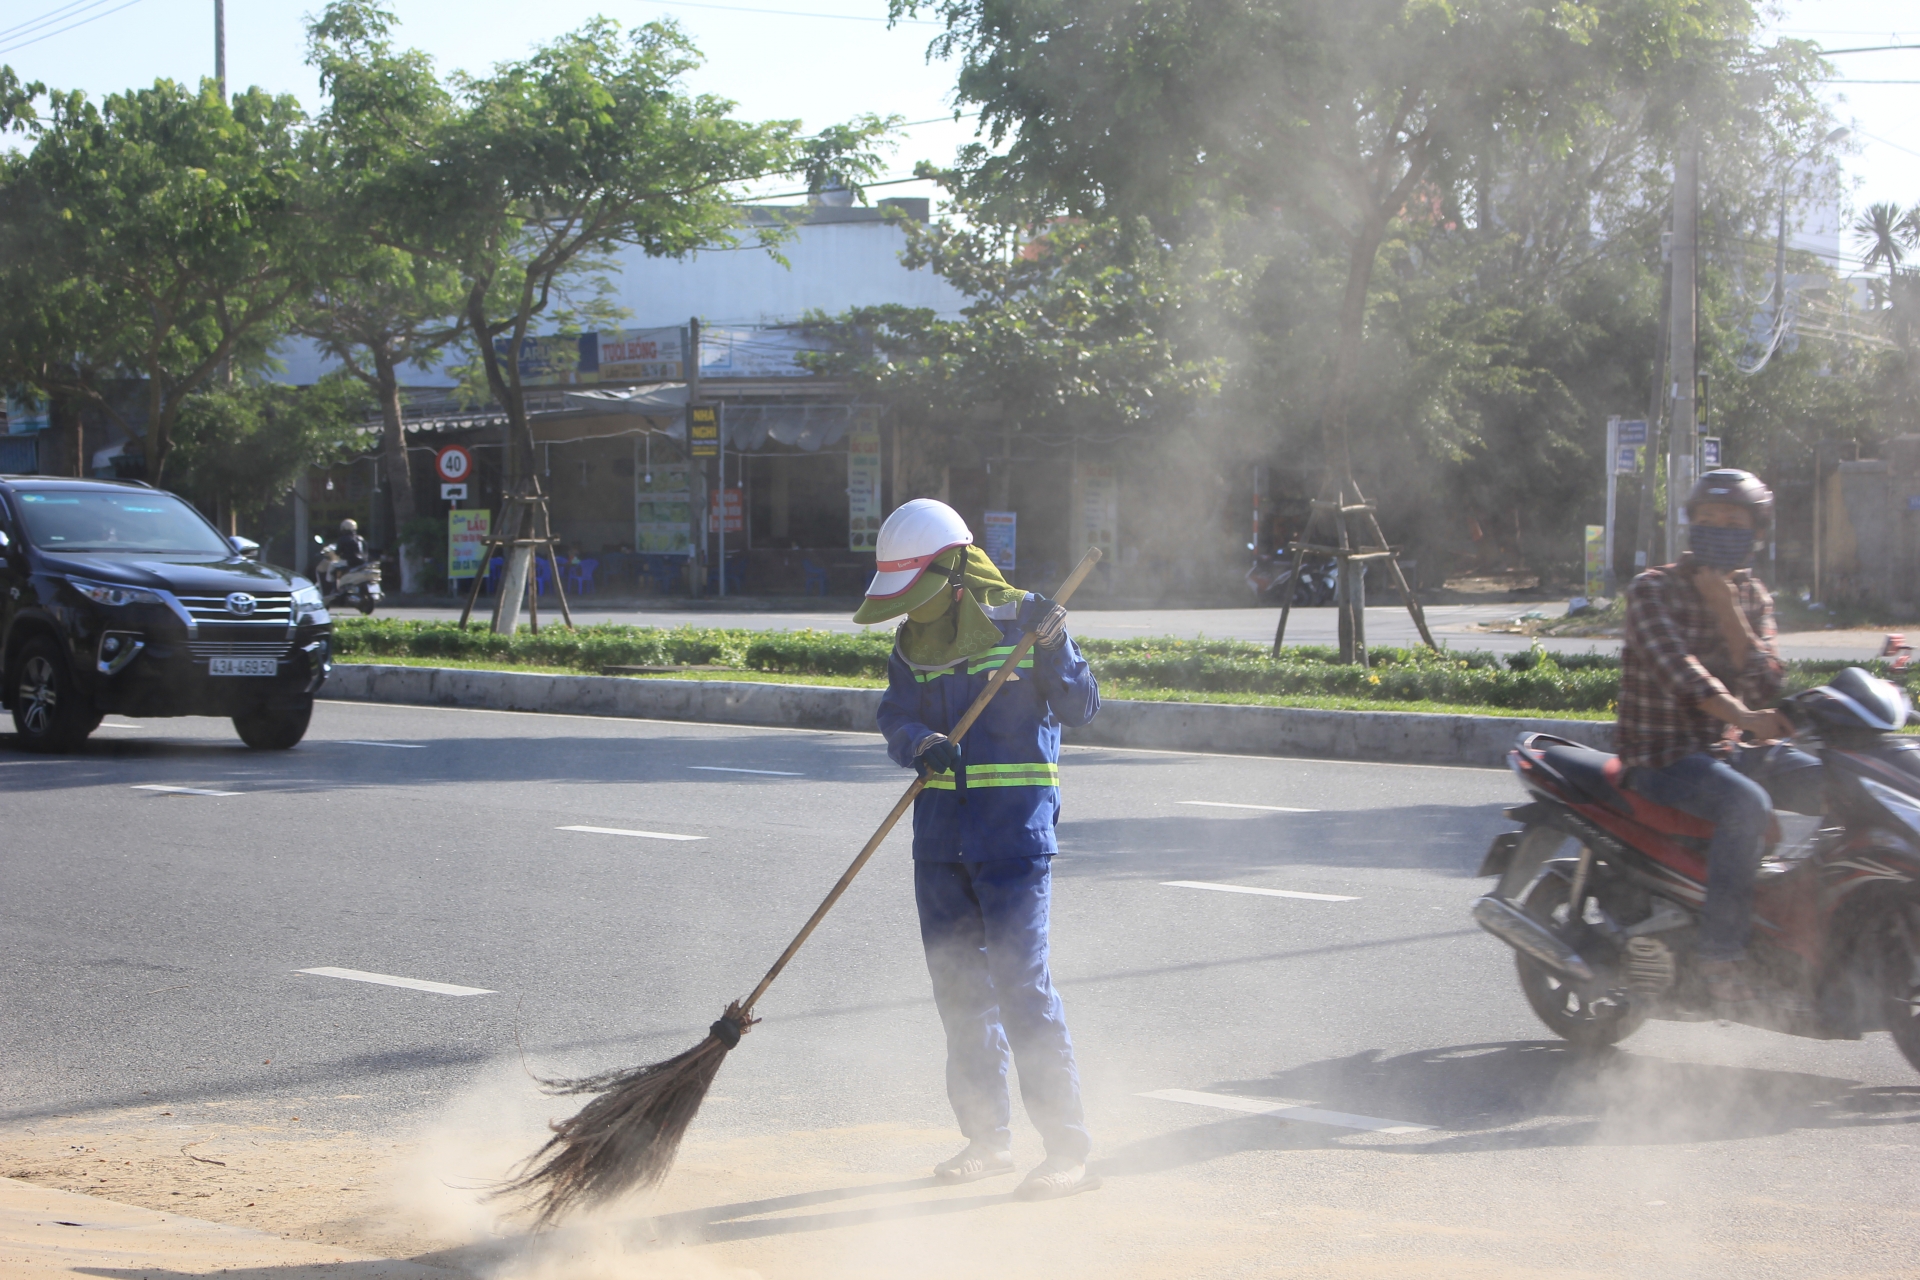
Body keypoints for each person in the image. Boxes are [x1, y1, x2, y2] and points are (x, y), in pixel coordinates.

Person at [854, 498, 1102, 1201]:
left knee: (1022, 988)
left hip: (1014, 839)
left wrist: (1055, 645)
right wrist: (916, 743)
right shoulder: (910, 642)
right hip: (939, 841)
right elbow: (894, 713)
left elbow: (1082, 706)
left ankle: (1066, 1151)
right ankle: (986, 1140)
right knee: (960, 993)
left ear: (955, 573)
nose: (912, 608)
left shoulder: (1027, 621)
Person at [1618, 469, 1821, 1003]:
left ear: (1756, 534)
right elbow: (1680, 673)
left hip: (1725, 751)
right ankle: (1721, 955)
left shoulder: (1752, 594)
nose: (1717, 530)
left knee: (1833, 781)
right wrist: (1745, 716)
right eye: (1707, 519)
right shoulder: (1652, 588)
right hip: (1660, 758)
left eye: (1733, 522)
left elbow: (1767, 679)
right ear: (1690, 525)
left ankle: (1811, 925)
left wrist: (1728, 609)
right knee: (1746, 805)